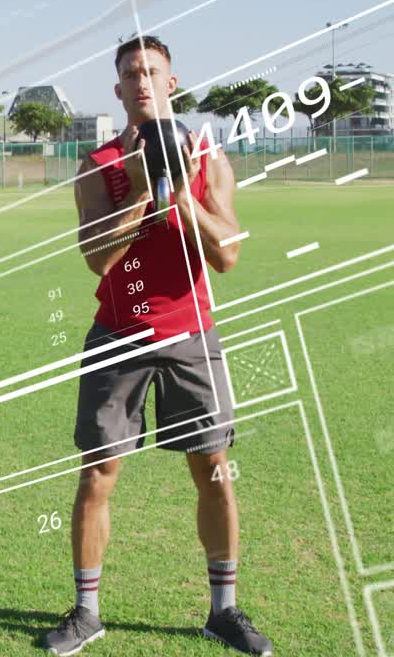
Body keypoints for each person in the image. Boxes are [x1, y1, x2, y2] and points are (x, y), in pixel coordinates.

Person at [41, 35, 272, 656]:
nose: (141, 81)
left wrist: (181, 195)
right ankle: (86, 613)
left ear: (172, 83)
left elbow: (228, 254)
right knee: (98, 475)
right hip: (119, 335)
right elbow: (97, 258)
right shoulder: (99, 164)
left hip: (192, 334)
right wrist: (143, 190)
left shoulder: (208, 157)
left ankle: (224, 611)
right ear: (117, 89)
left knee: (215, 472)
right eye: (130, 73)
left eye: (152, 71)